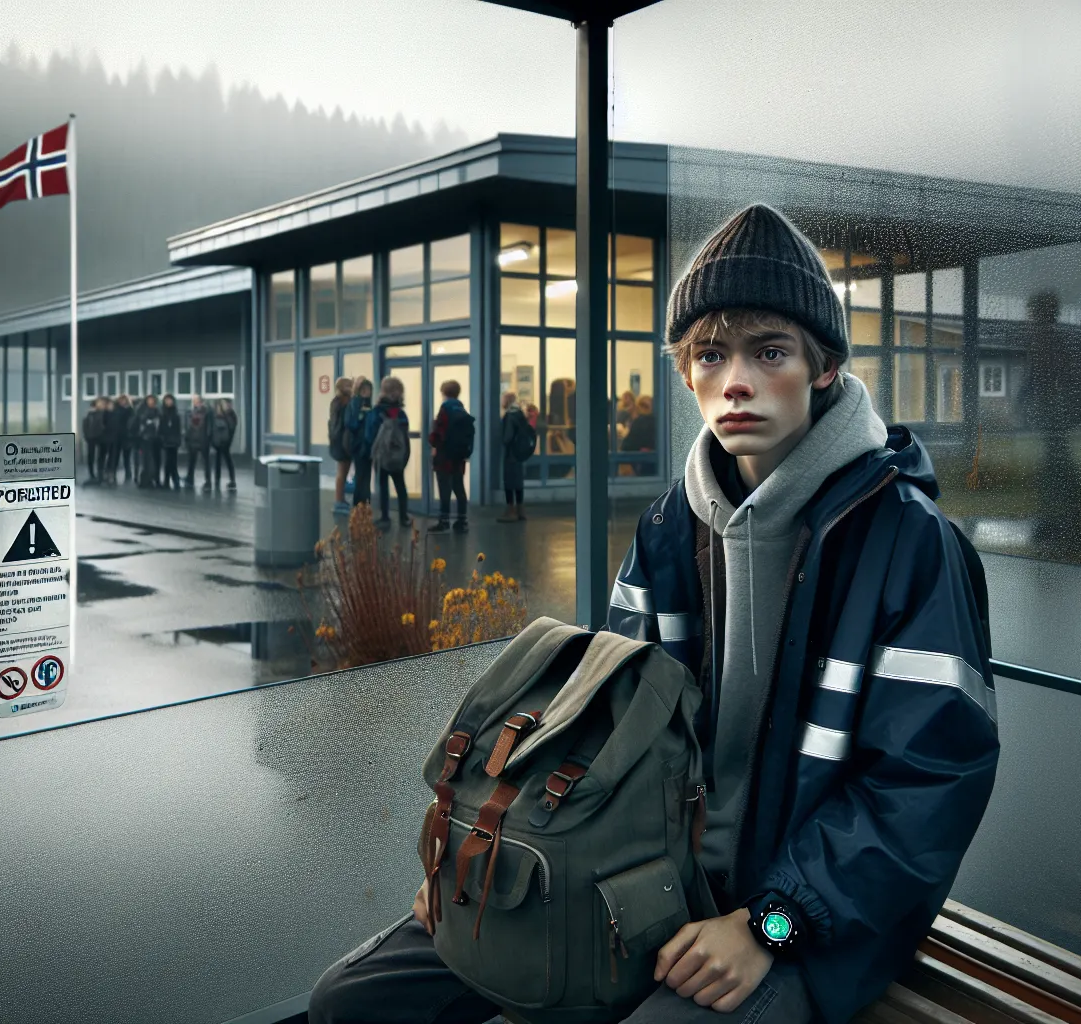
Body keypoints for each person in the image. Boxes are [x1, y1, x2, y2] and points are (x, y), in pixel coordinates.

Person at [309, 205, 999, 1024]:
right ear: (686, 374)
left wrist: (770, 924)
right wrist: (477, 862)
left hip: (796, 923)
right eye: (711, 355)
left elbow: (924, 787)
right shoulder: (672, 526)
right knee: (351, 1003)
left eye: (768, 352)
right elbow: (601, 725)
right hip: (637, 881)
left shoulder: (910, 544)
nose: (735, 380)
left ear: (823, 369)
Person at [362, 375, 411, 529]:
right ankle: (403, 517)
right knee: (400, 485)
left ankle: (385, 518)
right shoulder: (401, 413)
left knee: (383, 485)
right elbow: (405, 433)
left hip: (381, 457)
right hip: (398, 457)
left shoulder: (376, 412)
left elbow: (369, 434)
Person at [425, 380, 472, 534]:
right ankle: (462, 521)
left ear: (444, 393)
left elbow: (439, 432)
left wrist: (432, 442)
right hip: (459, 456)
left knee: (444, 489)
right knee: (459, 488)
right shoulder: (462, 409)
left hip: (444, 456)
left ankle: (444, 521)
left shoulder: (445, 409)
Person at [495, 390, 532, 523]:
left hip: (511, 454)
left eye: (503, 400)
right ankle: (521, 510)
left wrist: (503, 441)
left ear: (507, 401)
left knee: (509, 481)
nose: (501, 403)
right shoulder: (520, 414)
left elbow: (507, 437)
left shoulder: (510, 416)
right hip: (520, 453)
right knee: (518, 482)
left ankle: (510, 511)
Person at [326, 376, 354, 514]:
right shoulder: (345, 404)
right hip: (343, 443)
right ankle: (339, 502)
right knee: (342, 473)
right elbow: (346, 423)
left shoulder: (335, 402)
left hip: (337, 442)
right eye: (350, 385)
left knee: (342, 473)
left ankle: (340, 499)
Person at [347, 377, 374, 506]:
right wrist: (360, 417)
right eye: (364, 390)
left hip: (368, 445)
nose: (366, 392)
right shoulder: (354, 403)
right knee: (360, 476)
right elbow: (350, 424)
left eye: (368, 390)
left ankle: (365, 503)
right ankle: (358, 504)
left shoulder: (369, 404)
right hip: (358, 445)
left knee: (366, 476)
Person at [618, 392, 658, 476]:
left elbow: (626, 446)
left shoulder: (639, 422)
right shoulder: (660, 422)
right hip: (655, 468)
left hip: (640, 468)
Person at [184, 396, 214, 490]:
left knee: (205, 462)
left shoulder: (207, 412)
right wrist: (187, 438)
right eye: (194, 401)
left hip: (203, 439)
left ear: (201, 402)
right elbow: (187, 426)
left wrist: (208, 438)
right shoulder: (190, 412)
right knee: (191, 461)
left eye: (197, 401)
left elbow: (210, 426)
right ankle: (189, 480)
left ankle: (208, 481)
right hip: (192, 440)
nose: (195, 403)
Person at [105, 392, 133, 483]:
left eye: (124, 400)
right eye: (121, 400)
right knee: (115, 456)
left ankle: (128, 474)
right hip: (117, 437)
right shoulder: (118, 411)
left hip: (126, 437)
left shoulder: (129, 410)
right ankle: (113, 474)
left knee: (126, 457)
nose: (123, 402)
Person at [211, 397, 238, 490]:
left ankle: (232, 480)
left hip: (226, 442)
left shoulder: (230, 415)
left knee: (227, 460)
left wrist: (228, 440)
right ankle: (217, 480)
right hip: (218, 442)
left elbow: (232, 428)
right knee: (218, 461)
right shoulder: (216, 415)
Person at [134, 394, 160, 488]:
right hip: (145, 439)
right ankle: (145, 480)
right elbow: (140, 423)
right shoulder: (142, 411)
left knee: (153, 461)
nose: (151, 402)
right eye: (150, 400)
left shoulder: (157, 411)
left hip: (155, 439)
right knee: (147, 461)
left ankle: (151, 480)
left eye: (153, 400)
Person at [158, 393, 183, 488]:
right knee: (168, 461)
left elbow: (178, 428)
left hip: (174, 440)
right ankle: (167, 480)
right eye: (167, 400)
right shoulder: (162, 414)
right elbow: (161, 428)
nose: (169, 402)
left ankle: (174, 480)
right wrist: (162, 438)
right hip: (166, 440)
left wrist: (178, 439)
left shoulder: (176, 414)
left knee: (173, 461)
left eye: (170, 400)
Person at [81, 396, 109, 482]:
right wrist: (86, 435)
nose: (101, 405)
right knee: (91, 455)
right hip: (92, 437)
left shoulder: (105, 413)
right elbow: (85, 424)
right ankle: (91, 473)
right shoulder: (90, 414)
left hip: (102, 437)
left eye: (103, 403)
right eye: (100, 403)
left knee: (102, 455)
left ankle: (100, 472)